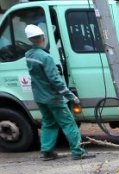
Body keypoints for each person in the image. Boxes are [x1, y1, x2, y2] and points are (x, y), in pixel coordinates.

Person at [24, 24, 94, 160]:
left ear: (30, 40)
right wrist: (71, 96)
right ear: (42, 38)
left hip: (40, 97)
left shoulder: (28, 55)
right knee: (68, 123)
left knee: (49, 123)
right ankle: (78, 152)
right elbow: (55, 81)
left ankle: (46, 152)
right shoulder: (46, 58)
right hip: (53, 98)